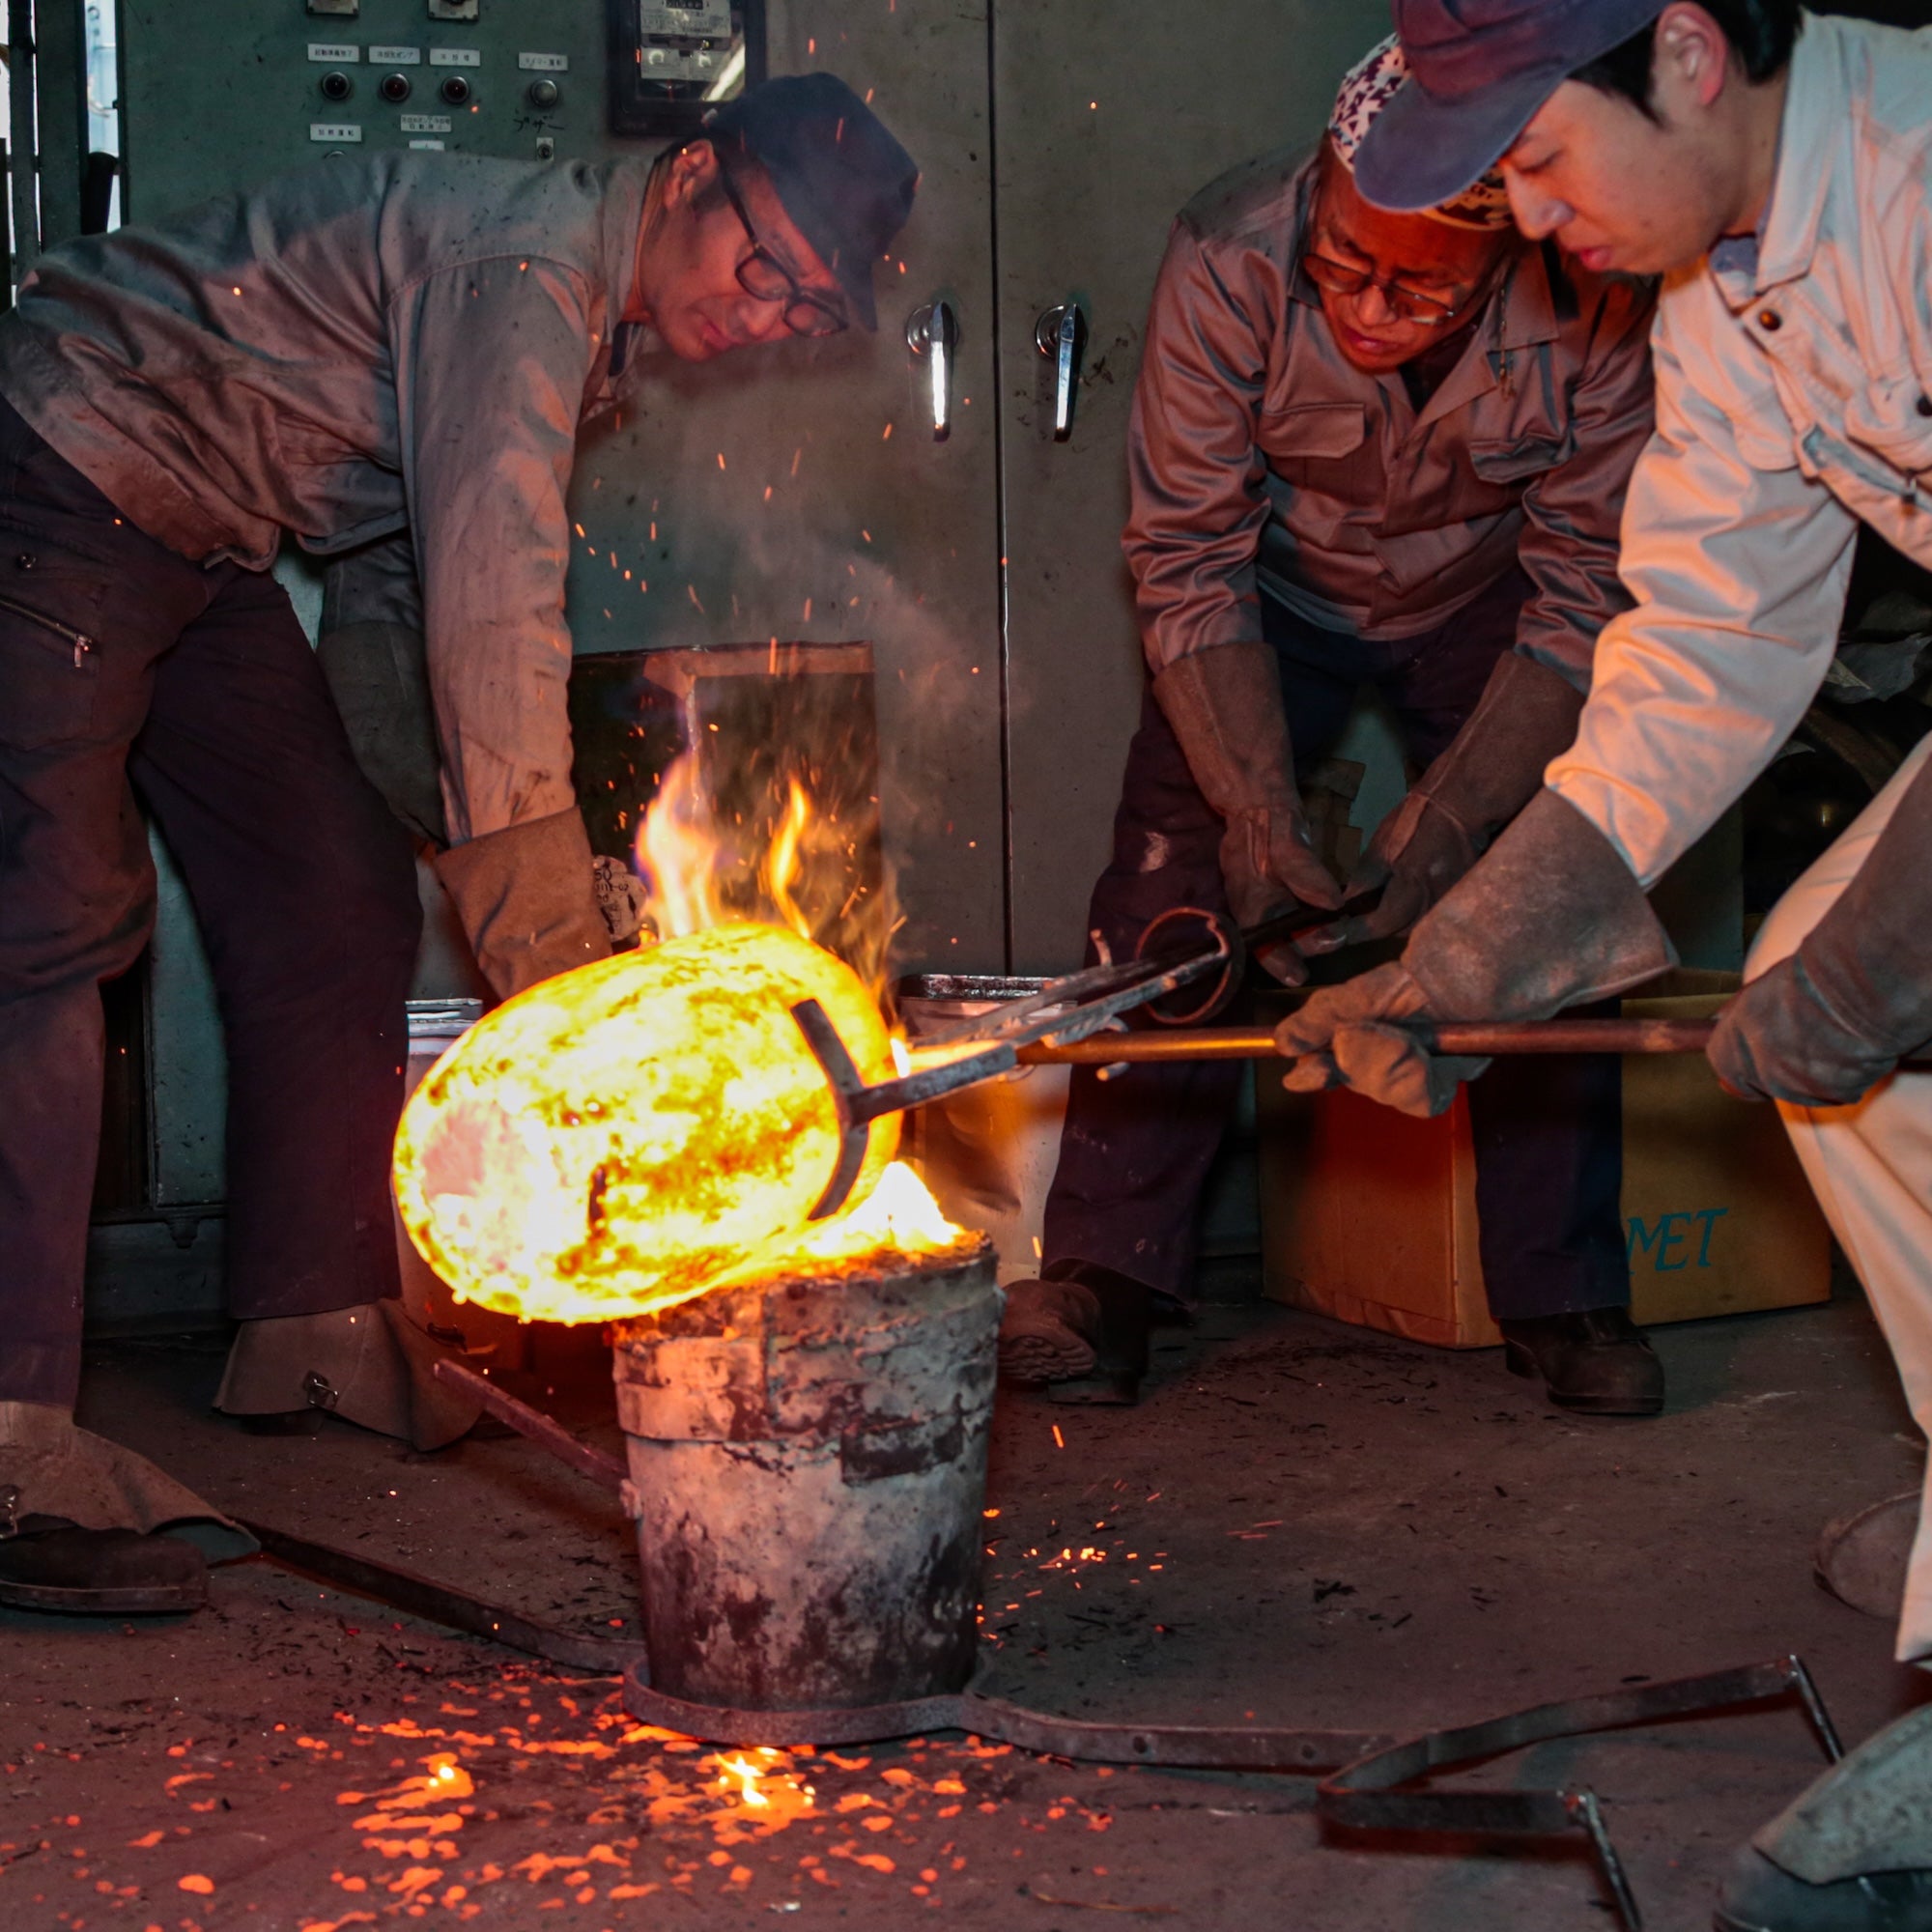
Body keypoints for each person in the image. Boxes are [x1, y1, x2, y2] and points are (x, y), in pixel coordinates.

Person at [0, 74, 918, 1616]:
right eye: (762, 266)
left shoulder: (590, 328)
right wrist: (556, 951)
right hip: (58, 461)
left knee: (334, 896)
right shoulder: (526, 270)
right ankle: (11, 1442)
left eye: (807, 308)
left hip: (199, 529)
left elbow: (398, 592)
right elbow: (497, 597)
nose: (766, 316)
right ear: (689, 173)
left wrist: (453, 831)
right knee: (46, 931)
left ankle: (315, 1315)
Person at [1279, 4, 1932, 1925]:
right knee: (1846, 1027)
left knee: (1860, 993)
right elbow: (1703, 644)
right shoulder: (1731, 290)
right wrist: (1477, 949)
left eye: (1542, 161)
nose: (1531, 215)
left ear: (1689, 48)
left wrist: (1907, 936)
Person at [997, 39, 1661, 1411]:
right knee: (1172, 885)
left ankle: (1565, 1288)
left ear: (1508, 246)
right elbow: (1185, 553)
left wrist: (1455, 824)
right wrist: (1253, 801)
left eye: (1419, 287)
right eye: (1343, 266)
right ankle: (1108, 1277)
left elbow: (1588, 589)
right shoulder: (1230, 249)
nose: (1365, 306)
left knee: (1546, 875)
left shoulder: (1600, 290)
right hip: (1269, 593)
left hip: (1494, 593)